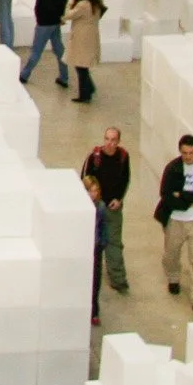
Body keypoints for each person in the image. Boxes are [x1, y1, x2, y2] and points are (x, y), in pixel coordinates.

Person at [155, 134, 193, 316]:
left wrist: (181, 196)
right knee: (171, 254)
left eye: (191, 152)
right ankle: (173, 278)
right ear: (180, 152)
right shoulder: (172, 168)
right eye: (185, 153)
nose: (188, 156)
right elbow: (166, 194)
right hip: (175, 219)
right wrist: (189, 201)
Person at [81, 126, 132, 297]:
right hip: (95, 207)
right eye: (107, 139)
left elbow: (125, 179)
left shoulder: (123, 157)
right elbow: (85, 180)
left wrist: (119, 199)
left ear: (118, 141)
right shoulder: (94, 157)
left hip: (112, 207)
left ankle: (118, 279)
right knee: (92, 244)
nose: (110, 143)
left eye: (113, 140)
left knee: (114, 244)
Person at [23, 0, 69, 88]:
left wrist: (40, 17)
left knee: (36, 50)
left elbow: (44, 4)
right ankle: (64, 76)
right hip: (55, 22)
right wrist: (60, 16)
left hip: (44, 23)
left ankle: (24, 74)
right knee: (59, 49)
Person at [65, 0, 106, 103]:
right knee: (83, 66)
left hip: (81, 38)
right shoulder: (95, 2)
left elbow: (68, 15)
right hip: (90, 37)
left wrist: (70, 2)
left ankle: (85, 93)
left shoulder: (83, 5)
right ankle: (88, 89)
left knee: (80, 66)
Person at [84, 171, 108, 325]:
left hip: (95, 246)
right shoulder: (81, 207)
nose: (93, 194)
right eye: (90, 190)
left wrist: (102, 243)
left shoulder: (100, 206)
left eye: (95, 191)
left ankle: (94, 310)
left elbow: (103, 226)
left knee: (95, 280)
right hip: (84, 246)